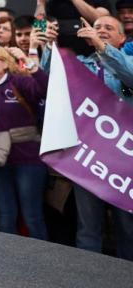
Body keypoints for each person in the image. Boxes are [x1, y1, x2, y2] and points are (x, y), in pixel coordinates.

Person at [40, 16, 133, 259]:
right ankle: (89, 275)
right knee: (88, 228)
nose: (100, 30)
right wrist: (49, 45)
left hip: (125, 160)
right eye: (96, 26)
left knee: (127, 228)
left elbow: (130, 75)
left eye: (108, 27)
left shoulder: (128, 61)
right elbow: (49, 79)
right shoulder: (79, 64)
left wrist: (102, 48)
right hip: (89, 157)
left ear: (122, 38)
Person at [0, 44, 49, 240]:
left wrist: (27, 60)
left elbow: (46, 88)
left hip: (27, 159)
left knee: (32, 216)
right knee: (5, 214)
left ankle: (43, 256)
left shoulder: (19, 82)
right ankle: (8, 257)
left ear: (6, 63)